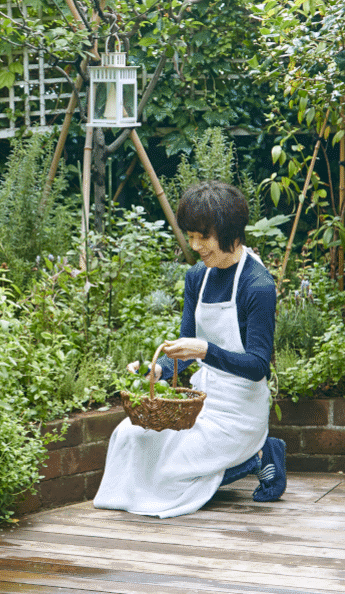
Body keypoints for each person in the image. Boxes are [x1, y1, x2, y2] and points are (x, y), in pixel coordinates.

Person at [93, 180, 286, 518]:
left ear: (231, 233)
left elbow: (258, 367)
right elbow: (185, 349)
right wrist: (158, 371)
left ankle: (259, 454)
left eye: (203, 237)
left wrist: (206, 351)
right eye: (191, 236)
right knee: (129, 437)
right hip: (199, 403)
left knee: (170, 469)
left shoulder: (258, 286)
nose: (195, 245)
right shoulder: (198, 277)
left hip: (239, 412)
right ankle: (248, 457)